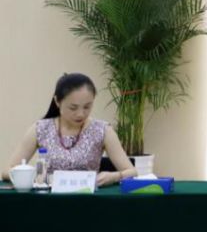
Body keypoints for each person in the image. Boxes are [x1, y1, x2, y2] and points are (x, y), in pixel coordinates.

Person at [5, 73, 136, 187]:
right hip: (49, 200)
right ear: (57, 101)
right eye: (73, 108)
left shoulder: (103, 130)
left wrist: (114, 176)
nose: (80, 114)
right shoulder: (40, 129)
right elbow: (7, 171)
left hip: (88, 200)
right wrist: (31, 175)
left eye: (87, 107)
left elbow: (132, 172)